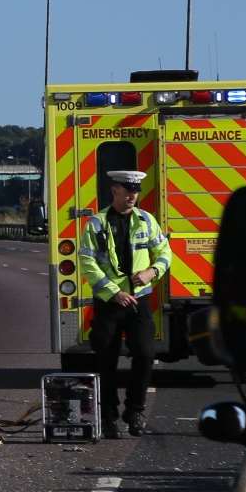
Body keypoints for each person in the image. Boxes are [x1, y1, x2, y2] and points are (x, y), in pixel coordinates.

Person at [80, 169, 170, 439]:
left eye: (136, 190)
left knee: (145, 354)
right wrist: (113, 291)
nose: (133, 195)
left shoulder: (146, 220)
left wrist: (151, 272)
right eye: (127, 190)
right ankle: (108, 417)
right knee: (106, 361)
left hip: (138, 300)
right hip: (109, 303)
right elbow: (87, 262)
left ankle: (135, 410)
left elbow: (164, 252)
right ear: (114, 190)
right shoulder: (96, 223)